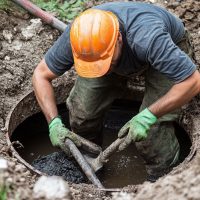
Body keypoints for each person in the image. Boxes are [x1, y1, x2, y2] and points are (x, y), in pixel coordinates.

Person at [32, 2, 200, 181]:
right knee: (83, 114)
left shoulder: (148, 38)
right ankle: (90, 164)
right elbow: (40, 75)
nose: (102, 70)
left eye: (106, 63)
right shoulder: (82, 36)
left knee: (152, 133)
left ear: (119, 39)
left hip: (169, 48)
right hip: (118, 52)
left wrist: (148, 116)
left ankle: (163, 179)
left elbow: (193, 81)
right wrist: (54, 123)